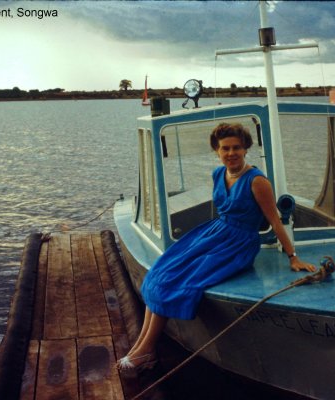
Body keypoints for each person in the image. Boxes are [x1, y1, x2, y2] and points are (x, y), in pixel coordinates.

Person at [117, 122, 316, 372]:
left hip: (238, 244)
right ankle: (141, 348)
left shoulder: (257, 181)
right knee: (161, 271)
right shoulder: (217, 174)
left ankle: (146, 351)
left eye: (236, 148)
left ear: (245, 150)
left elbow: (275, 220)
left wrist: (293, 257)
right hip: (215, 233)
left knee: (178, 281)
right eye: (225, 148)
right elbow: (223, 209)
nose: (231, 153)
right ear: (217, 151)